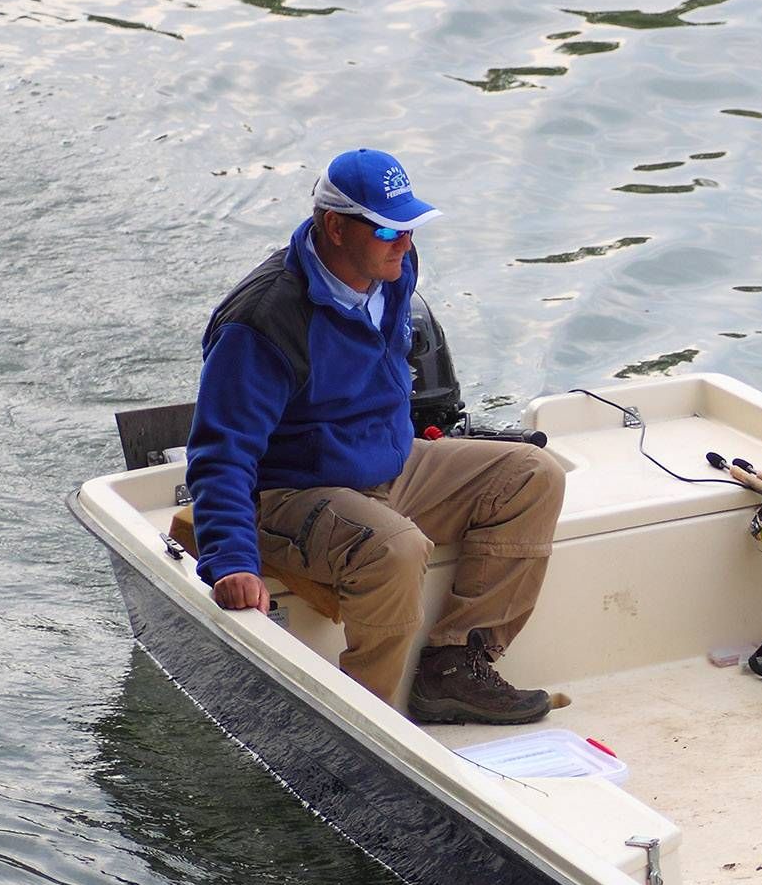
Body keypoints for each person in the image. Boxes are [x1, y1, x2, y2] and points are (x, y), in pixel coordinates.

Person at [185, 147, 565, 725]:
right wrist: (231, 559)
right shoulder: (262, 321)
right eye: (389, 227)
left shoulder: (391, 271)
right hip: (290, 490)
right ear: (334, 226)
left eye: (411, 225)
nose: (405, 242)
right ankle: (365, 722)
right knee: (395, 547)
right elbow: (221, 453)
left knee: (532, 477)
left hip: (387, 466)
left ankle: (454, 670)